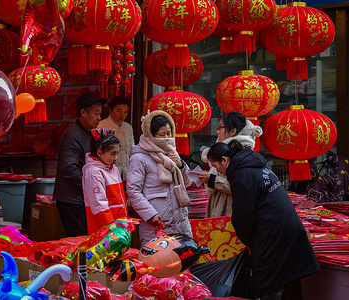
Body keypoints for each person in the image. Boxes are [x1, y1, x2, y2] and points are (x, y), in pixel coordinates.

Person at [207, 140, 320, 299]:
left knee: (269, 283)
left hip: (274, 234)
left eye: (216, 166)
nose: (217, 171)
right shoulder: (256, 168)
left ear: (224, 160)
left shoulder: (242, 175)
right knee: (281, 279)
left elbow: (243, 216)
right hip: (285, 230)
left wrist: (248, 242)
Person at [127, 110, 193, 246]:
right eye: (162, 134)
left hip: (180, 220)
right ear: (151, 135)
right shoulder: (139, 157)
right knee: (158, 262)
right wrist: (150, 214)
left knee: (182, 259)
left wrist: (180, 165)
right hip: (156, 222)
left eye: (169, 133)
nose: (167, 137)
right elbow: (133, 190)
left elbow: (187, 183)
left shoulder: (172, 153)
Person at [53, 92, 107, 237]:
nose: (99, 118)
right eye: (96, 113)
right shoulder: (73, 134)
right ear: (83, 112)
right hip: (71, 199)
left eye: (100, 114)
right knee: (81, 240)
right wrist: (91, 185)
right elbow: (68, 169)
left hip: (80, 197)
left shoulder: (87, 133)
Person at [199, 112, 263, 218]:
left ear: (233, 131)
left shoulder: (240, 155)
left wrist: (212, 180)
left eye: (221, 127)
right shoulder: (228, 151)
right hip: (220, 204)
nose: (217, 131)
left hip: (231, 208)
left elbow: (240, 187)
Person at [82, 128, 128, 234]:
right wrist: (112, 230)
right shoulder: (93, 172)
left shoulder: (113, 168)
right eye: (113, 154)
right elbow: (99, 205)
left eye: (117, 153)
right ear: (99, 152)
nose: (116, 157)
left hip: (118, 224)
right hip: (106, 229)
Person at [98, 96, 134, 179]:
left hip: (126, 172)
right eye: (119, 111)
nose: (122, 115)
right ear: (110, 110)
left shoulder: (128, 128)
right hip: (108, 172)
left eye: (125, 112)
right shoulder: (101, 126)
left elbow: (132, 150)